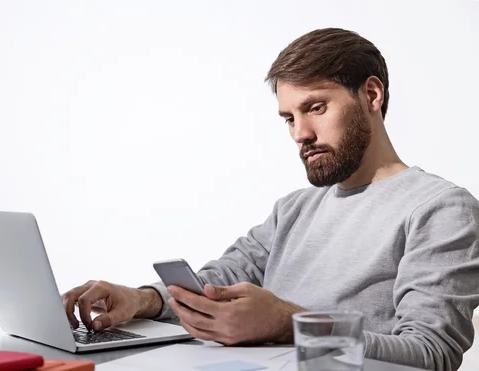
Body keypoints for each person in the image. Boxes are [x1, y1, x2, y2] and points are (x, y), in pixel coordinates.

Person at [62, 28, 479, 371]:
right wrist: (141, 299)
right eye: (289, 118)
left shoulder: (440, 209)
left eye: (315, 107)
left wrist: (288, 324)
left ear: (371, 95)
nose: (300, 134)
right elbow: (220, 281)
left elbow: (431, 354)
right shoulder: (294, 209)